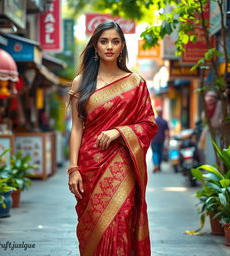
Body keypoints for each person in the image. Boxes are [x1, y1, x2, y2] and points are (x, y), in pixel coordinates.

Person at [67, 21, 158, 256]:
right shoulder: (81, 82)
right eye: (104, 41)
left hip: (123, 164)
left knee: (122, 220)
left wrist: (119, 131)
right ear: (95, 46)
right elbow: (77, 129)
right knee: (95, 225)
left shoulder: (136, 83)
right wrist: (73, 169)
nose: (109, 46)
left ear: (122, 46)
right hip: (89, 165)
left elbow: (148, 124)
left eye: (115, 41)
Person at [151, 106, 169, 172]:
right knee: (160, 153)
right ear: (162, 113)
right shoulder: (164, 121)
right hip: (161, 140)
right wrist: (168, 140)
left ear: (157, 112)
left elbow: (150, 130)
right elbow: (167, 132)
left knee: (155, 152)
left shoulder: (153, 121)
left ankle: (155, 165)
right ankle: (158, 165)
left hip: (154, 139)